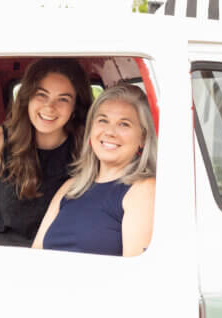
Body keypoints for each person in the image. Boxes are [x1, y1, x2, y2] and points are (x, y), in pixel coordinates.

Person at [0, 57, 92, 246]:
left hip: (59, 257)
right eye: (41, 95)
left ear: (74, 107)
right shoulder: (1, 140)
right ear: (27, 97)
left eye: (63, 99)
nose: (49, 107)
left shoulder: (87, 147)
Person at [32, 83, 156, 257]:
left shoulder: (144, 190)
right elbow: (35, 253)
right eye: (103, 121)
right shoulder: (71, 186)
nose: (110, 132)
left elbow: (135, 275)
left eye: (124, 124)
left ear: (143, 138)